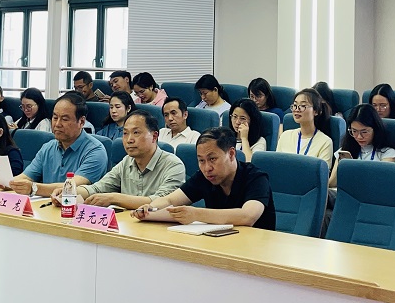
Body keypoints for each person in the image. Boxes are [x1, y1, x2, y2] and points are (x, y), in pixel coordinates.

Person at [133, 127, 276, 230]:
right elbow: (170, 200)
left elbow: (247, 216)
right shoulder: (204, 177)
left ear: (231, 154)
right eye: (201, 160)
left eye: (212, 159)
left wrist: (196, 214)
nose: (207, 168)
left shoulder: (256, 177)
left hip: (257, 247)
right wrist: (150, 208)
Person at [51, 111, 185, 210]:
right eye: (125, 133)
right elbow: (97, 188)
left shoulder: (173, 165)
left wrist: (113, 198)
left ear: (154, 136)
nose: (129, 140)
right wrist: (69, 192)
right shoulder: (127, 161)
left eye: (136, 133)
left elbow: (160, 202)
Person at [8, 92, 107, 196]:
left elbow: (71, 187)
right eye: (55, 118)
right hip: (45, 204)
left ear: (81, 122)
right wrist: (8, 183)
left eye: (64, 119)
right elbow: (25, 177)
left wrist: (33, 188)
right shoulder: (48, 147)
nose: (57, 124)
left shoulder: (95, 151)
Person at [329, 104, 395, 188]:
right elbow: (331, 184)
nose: (359, 137)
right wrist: (343, 164)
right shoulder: (346, 150)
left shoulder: (388, 153)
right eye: (354, 131)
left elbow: (379, 182)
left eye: (364, 132)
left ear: (376, 129)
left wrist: (354, 170)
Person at [276, 88, 334, 169]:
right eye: (295, 105)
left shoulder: (325, 142)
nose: (297, 109)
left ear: (316, 111)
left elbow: (322, 174)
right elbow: (277, 166)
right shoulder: (285, 136)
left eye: (303, 106)